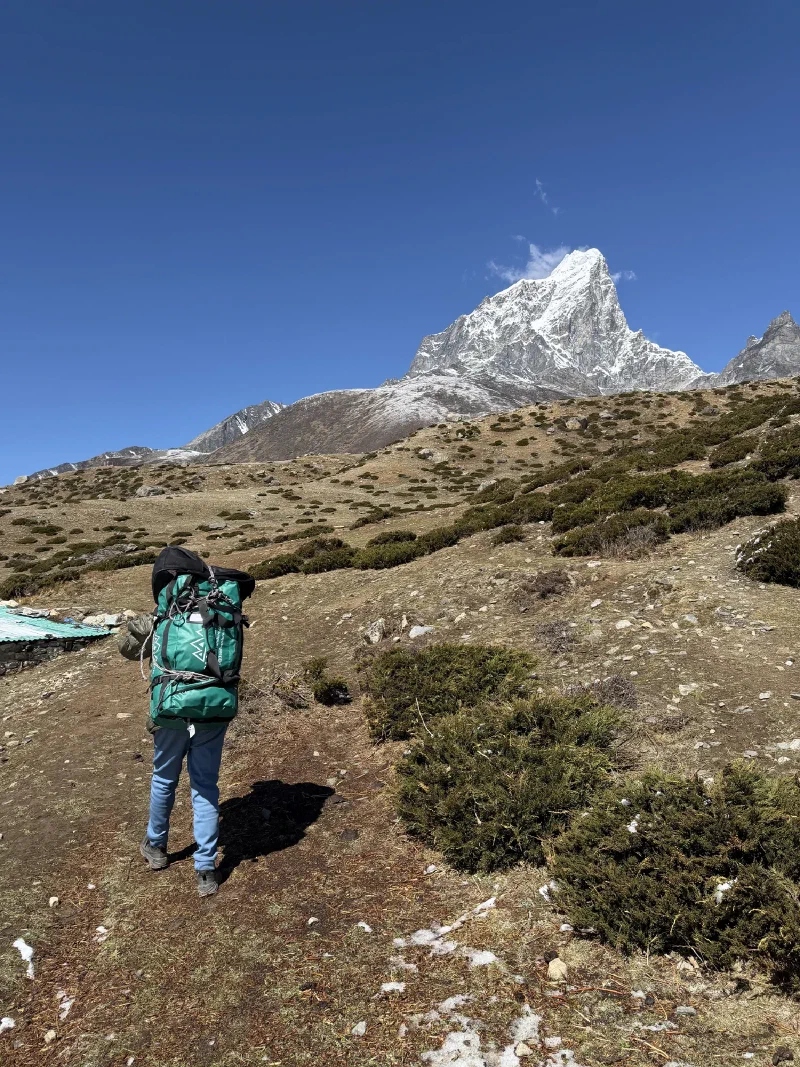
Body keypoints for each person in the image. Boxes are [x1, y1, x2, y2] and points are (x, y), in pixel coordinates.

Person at [119, 547, 254, 897]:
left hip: (172, 708)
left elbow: (128, 651)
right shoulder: (223, 602)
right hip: (214, 705)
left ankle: (157, 849)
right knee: (205, 786)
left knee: (164, 777)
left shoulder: (167, 610)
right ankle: (206, 869)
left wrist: (139, 628)